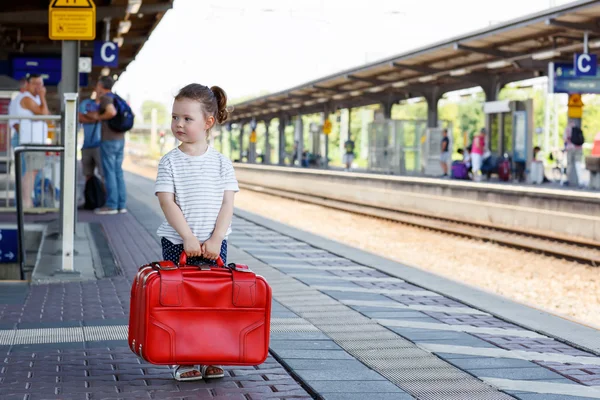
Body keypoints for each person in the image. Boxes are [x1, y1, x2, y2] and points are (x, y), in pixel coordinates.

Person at [154, 83, 239, 382]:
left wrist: (216, 238)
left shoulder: (221, 163)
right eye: (175, 117)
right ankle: (185, 358)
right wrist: (188, 238)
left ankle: (210, 356)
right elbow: (167, 201)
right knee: (184, 303)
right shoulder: (169, 162)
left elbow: (227, 203)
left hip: (216, 244)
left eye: (187, 119)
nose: (178, 124)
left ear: (207, 122)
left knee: (213, 302)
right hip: (179, 242)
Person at [87, 76, 127, 214]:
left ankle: (111, 205)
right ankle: (121, 205)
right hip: (120, 138)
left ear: (100, 85)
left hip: (109, 139)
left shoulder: (106, 98)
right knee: (118, 172)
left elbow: (111, 112)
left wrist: (99, 117)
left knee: (109, 172)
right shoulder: (117, 97)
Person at [16, 74, 49, 209]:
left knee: (33, 171)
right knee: (31, 171)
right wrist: (42, 97)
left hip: (36, 141)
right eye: (35, 83)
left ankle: (27, 201)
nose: (38, 87)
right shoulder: (27, 99)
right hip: (31, 141)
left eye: (40, 84)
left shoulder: (34, 99)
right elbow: (45, 114)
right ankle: (26, 203)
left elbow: (44, 115)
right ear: (27, 84)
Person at [78, 95, 103, 180]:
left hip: (101, 145)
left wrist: (88, 115)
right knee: (87, 173)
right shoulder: (86, 103)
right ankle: (90, 192)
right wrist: (96, 118)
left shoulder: (107, 104)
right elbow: (79, 117)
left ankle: (103, 193)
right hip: (87, 145)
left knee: (103, 174)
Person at [8, 78, 28, 174]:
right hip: (21, 137)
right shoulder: (19, 99)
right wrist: (26, 134)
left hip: (22, 136)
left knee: (24, 172)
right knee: (23, 172)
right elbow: (15, 123)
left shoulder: (21, 99)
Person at [563, 122, 583, 187]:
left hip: (570, 148)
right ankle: (580, 181)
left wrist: (565, 147)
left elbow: (565, 139)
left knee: (569, 164)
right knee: (578, 164)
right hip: (579, 148)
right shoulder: (578, 129)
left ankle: (567, 180)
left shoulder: (567, 129)